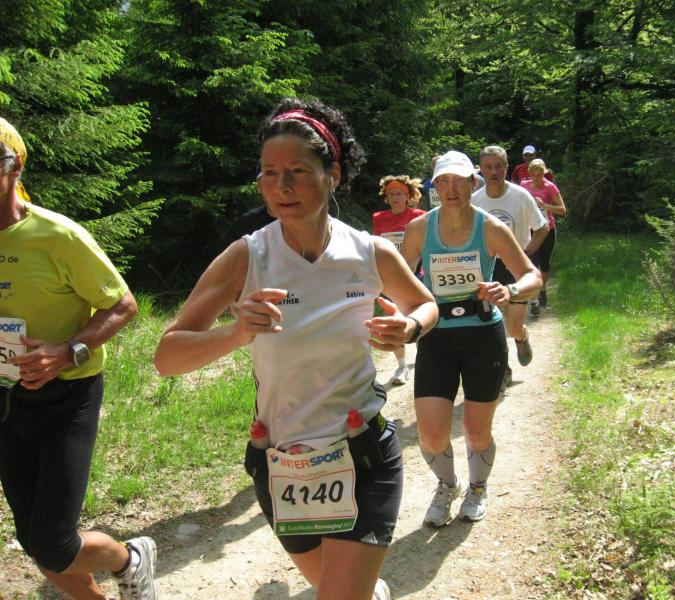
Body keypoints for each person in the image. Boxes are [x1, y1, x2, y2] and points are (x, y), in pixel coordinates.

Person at [154, 98, 438, 600]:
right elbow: (167, 357)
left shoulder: (369, 251)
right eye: (269, 173)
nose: (282, 186)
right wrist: (236, 332)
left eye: (298, 171)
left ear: (333, 175)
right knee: (333, 584)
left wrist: (410, 326)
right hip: (281, 463)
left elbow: (425, 303)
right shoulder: (248, 256)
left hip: (362, 452)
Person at [0, 118, 156, 599]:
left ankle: (131, 559)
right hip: (6, 397)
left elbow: (122, 305)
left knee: (53, 542)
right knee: (35, 542)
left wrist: (67, 352)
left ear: (15, 167)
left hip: (68, 394)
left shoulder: (57, 235)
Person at [401, 150, 542, 526]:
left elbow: (532, 276)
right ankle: (448, 485)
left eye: (459, 181)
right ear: (434, 187)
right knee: (431, 436)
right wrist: (403, 315)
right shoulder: (419, 230)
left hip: (483, 335)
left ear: (472, 183)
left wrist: (509, 291)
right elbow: (400, 280)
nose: (451, 189)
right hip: (437, 336)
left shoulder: (490, 227)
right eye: (443, 182)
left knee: (477, 432)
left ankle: (478, 488)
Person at [471, 145, 548, 384]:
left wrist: (526, 253)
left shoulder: (521, 196)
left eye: (498, 166)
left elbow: (542, 228)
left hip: (516, 267)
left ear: (506, 167)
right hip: (488, 266)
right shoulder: (474, 201)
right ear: (481, 170)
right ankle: (502, 369)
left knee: (513, 328)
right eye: (488, 167)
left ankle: (521, 336)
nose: (494, 172)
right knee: (489, 324)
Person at [372, 175, 427, 386]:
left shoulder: (419, 216)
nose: (395, 198)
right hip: (390, 276)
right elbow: (376, 246)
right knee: (393, 320)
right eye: (391, 194)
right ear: (386, 197)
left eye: (399, 194)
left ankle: (424, 359)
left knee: (419, 316)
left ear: (408, 196)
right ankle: (402, 366)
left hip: (417, 275)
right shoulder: (379, 217)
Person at [521, 158, 566, 309]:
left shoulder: (550, 187)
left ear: (544, 173)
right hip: (531, 229)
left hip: (548, 229)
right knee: (532, 262)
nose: (536, 178)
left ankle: (542, 289)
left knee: (544, 263)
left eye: (539, 175)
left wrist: (544, 205)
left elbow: (562, 210)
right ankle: (534, 299)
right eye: (533, 175)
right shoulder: (524, 186)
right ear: (529, 173)